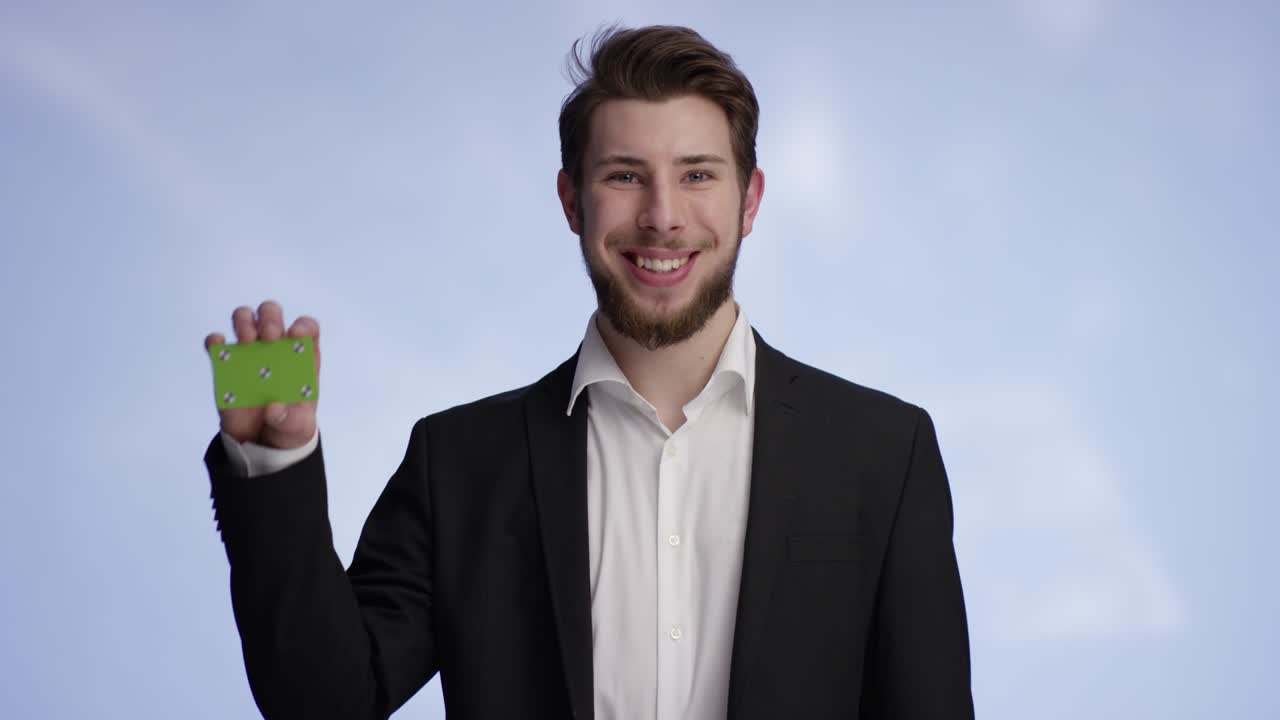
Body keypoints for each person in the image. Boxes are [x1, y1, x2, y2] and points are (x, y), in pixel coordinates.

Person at [202, 24, 973, 720]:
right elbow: (326, 703)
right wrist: (273, 466)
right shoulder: (460, 464)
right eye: (625, 176)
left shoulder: (884, 451)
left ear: (750, 201)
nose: (663, 216)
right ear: (572, 201)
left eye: (698, 175)